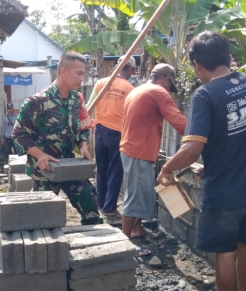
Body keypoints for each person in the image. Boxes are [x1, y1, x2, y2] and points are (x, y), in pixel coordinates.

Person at [156, 32, 246, 291]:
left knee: (225, 252)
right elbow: (238, 134)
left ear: (196, 65)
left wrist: (167, 169)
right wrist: (210, 165)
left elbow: (192, 147)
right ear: (227, 56)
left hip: (226, 192)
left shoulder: (205, 95)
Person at [13, 51, 102, 225]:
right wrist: (40, 155)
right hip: (45, 170)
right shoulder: (37, 102)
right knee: (42, 220)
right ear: (63, 71)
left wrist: (83, 145)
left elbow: (83, 127)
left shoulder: (77, 99)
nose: (82, 78)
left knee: (91, 208)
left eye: (83, 73)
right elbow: (19, 134)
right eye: (79, 73)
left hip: (70, 166)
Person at [120, 63, 187, 240]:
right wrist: (201, 136)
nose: (169, 91)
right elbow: (179, 122)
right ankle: (124, 243)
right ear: (165, 80)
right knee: (134, 197)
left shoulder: (138, 90)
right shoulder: (158, 92)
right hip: (138, 151)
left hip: (132, 148)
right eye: (169, 86)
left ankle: (137, 229)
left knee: (140, 192)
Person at [87, 55, 136, 221]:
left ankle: (101, 203)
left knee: (101, 169)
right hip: (117, 133)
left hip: (99, 131)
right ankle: (109, 208)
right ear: (129, 69)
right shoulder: (130, 88)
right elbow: (132, 116)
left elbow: (88, 107)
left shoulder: (101, 83)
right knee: (116, 171)